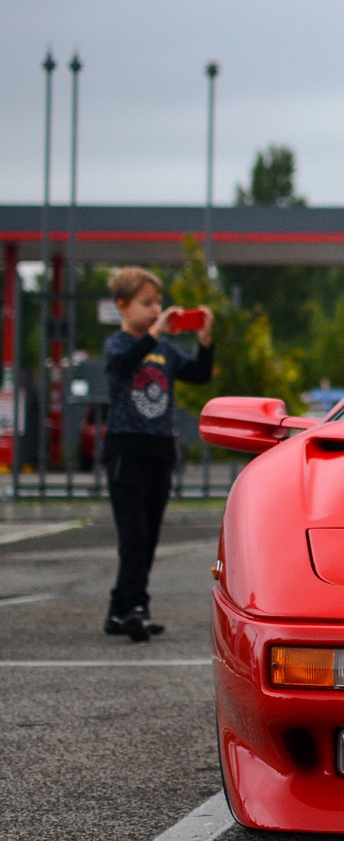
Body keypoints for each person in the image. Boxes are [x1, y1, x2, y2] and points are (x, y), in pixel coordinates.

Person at [102, 267, 213, 642]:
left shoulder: (166, 349)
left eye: (158, 303)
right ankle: (136, 607)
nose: (155, 310)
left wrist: (205, 338)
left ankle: (121, 609)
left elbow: (200, 374)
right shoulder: (118, 344)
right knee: (133, 534)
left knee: (147, 535)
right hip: (125, 450)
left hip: (159, 450)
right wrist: (152, 334)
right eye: (146, 303)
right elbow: (121, 367)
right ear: (122, 306)